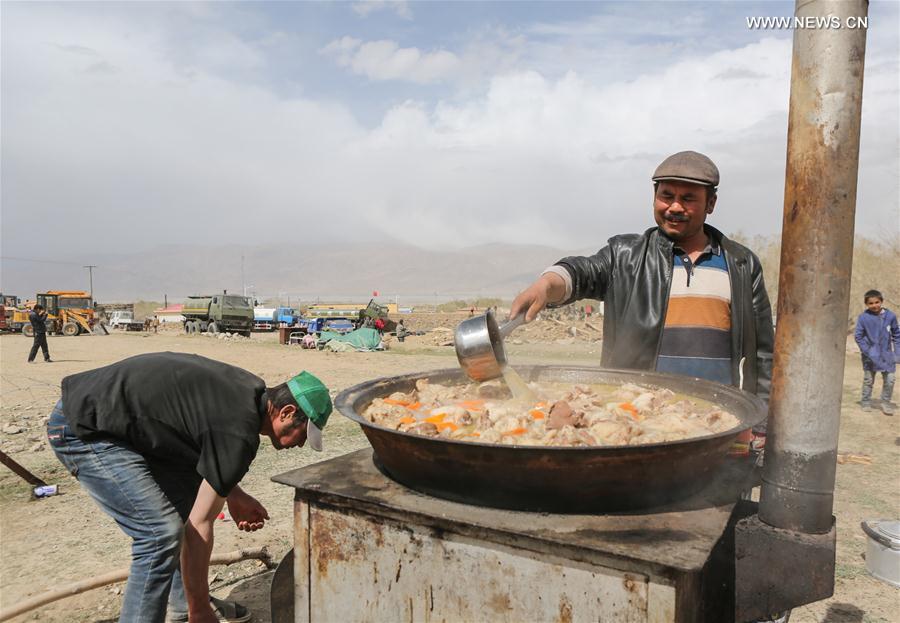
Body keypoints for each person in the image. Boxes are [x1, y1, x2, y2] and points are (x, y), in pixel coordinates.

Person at [46, 353, 333, 623]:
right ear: (287, 411)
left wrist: (234, 494)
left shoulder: (247, 394)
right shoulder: (238, 431)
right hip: (86, 427)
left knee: (184, 508)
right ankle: (192, 607)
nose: (301, 444)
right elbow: (201, 523)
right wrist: (201, 609)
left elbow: (198, 444)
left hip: (121, 424)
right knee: (159, 533)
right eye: (303, 434)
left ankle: (183, 605)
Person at [511, 150, 774, 433]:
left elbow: (764, 355)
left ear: (711, 203)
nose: (674, 207)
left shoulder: (741, 264)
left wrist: (760, 427)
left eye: (688, 199)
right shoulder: (625, 256)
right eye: (667, 195)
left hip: (715, 422)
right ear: (654, 196)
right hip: (637, 421)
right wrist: (546, 284)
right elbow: (581, 271)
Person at [854, 289, 899, 415]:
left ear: (881, 301)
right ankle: (865, 401)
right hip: (870, 355)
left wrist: (897, 353)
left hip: (887, 355)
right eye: (871, 303)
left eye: (877, 302)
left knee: (890, 379)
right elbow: (858, 336)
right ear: (867, 304)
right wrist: (867, 351)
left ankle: (885, 402)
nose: (874, 305)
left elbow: (897, 335)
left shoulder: (890, 316)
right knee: (869, 379)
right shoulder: (863, 318)